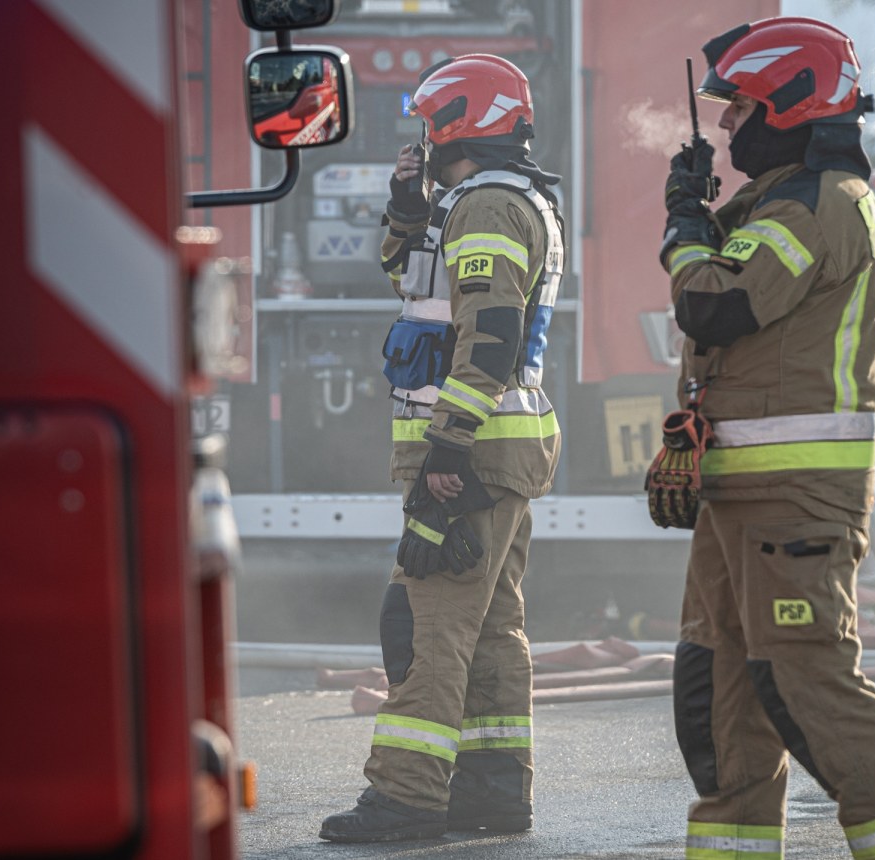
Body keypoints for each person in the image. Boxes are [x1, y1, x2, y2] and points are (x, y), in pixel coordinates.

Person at [658, 16, 875, 858]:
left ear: (788, 108)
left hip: (792, 494)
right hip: (743, 489)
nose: (725, 126)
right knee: (719, 687)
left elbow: (717, 303)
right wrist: (702, 213)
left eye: (740, 108)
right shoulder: (775, 202)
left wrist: (684, 225)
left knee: (803, 680)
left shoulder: (819, 203)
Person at [319, 53, 563, 843]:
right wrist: (403, 207)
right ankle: (492, 791)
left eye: (429, 123)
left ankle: (407, 796)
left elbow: (489, 337)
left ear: (454, 121)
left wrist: (448, 450)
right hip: (498, 449)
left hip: (474, 454)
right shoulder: (471, 203)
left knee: (425, 625)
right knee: (487, 628)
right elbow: (411, 277)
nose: (421, 138)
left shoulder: (489, 207)